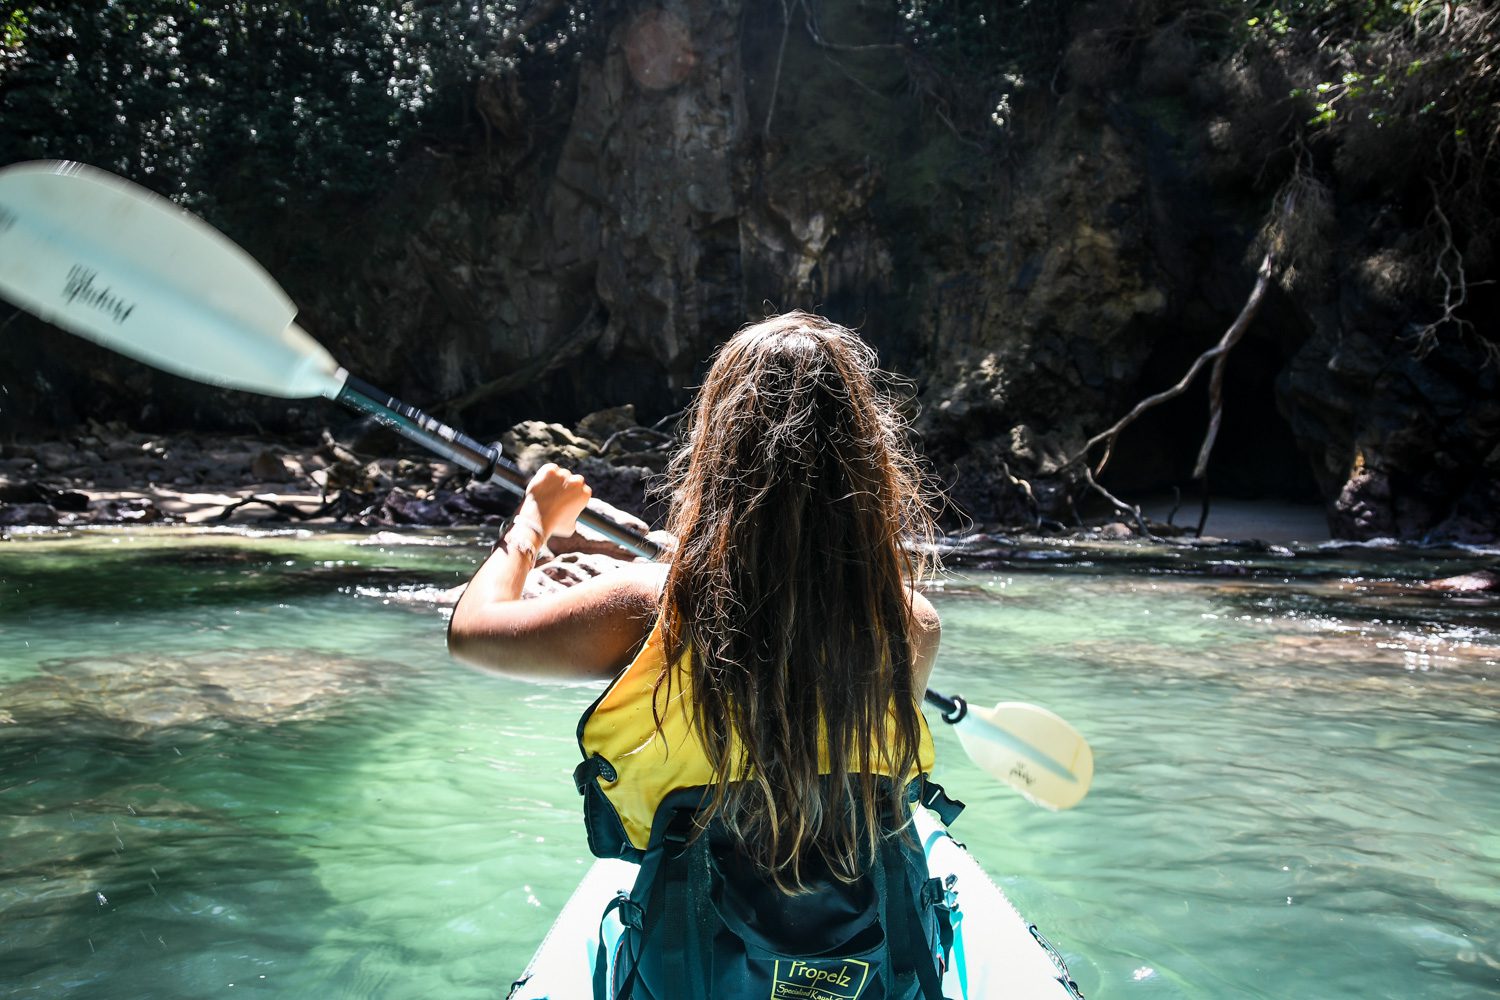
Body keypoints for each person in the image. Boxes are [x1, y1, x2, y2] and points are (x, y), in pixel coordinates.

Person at [448, 311, 953, 999]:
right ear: (868, 462)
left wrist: (533, 521)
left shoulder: (649, 607)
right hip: (858, 960)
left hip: (689, 963)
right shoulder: (912, 626)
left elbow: (473, 634)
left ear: (718, 450)